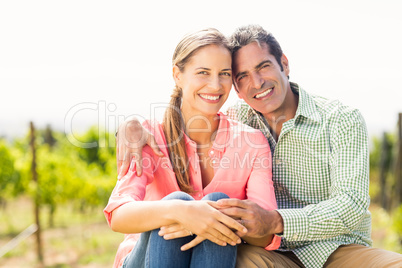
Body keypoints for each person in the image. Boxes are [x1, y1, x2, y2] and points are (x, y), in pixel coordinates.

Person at [116, 25, 402, 268]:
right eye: (241, 76)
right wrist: (129, 127)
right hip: (265, 251)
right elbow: (186, 113)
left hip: (334, 250)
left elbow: (351, 205)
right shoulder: (236, 119)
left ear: (284, 64)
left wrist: (273, 221)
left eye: (263, 66)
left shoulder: (339, 119)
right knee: (200, 212)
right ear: (237, 88)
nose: (257, 82)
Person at [105, 28, 280, 268]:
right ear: (178, 75)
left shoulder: (252, 142)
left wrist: (216, 217)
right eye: (203, 73)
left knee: (219, 203)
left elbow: (266, 235)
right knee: (178, 201)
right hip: (142, 261)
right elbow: (118, 215)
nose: (215, 85)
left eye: (225, 74)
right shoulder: (149, 136)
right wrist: (179, 211)